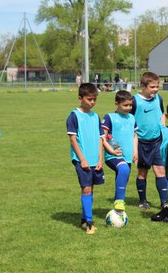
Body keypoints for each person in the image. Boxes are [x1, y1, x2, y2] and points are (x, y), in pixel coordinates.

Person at [66, 83, 104, 234]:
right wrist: (82, 159)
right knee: (86, 188)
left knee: (91, 188)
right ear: (80, 98)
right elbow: (73, 140)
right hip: (82, 159)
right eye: (89, 99)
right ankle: (89, 222)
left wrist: (100, 159)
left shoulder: (95, 116)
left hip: (96, 159)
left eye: (94, 99)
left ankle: (83, 218)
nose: (92, 102)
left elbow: (101, 139)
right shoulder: (74, 116)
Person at [130, 72, 168, 218]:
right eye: (152, 87)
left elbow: (162, 115)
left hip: (157, 141)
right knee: (142, 172)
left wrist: (164, 132)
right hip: (141, 142)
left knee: (160, 171)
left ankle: (164, 201)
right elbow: (129, 121)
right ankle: (142, 200)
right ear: (143, 86)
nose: (155, 90)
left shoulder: (158, 98)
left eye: (157, 86)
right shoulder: (134, 101)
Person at [101, 90, 138, 215]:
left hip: (127, 155)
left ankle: (117, 211)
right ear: (117, 104)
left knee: (123, 177)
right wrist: (110, 150)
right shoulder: (109, 117)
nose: (128, 108)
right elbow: (103, 137)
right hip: (113, 155)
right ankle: (119, 201)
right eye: (125, 105)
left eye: (130, 105)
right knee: (123, 170)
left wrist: (135, 151)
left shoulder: (132, 118)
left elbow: (134, 136)